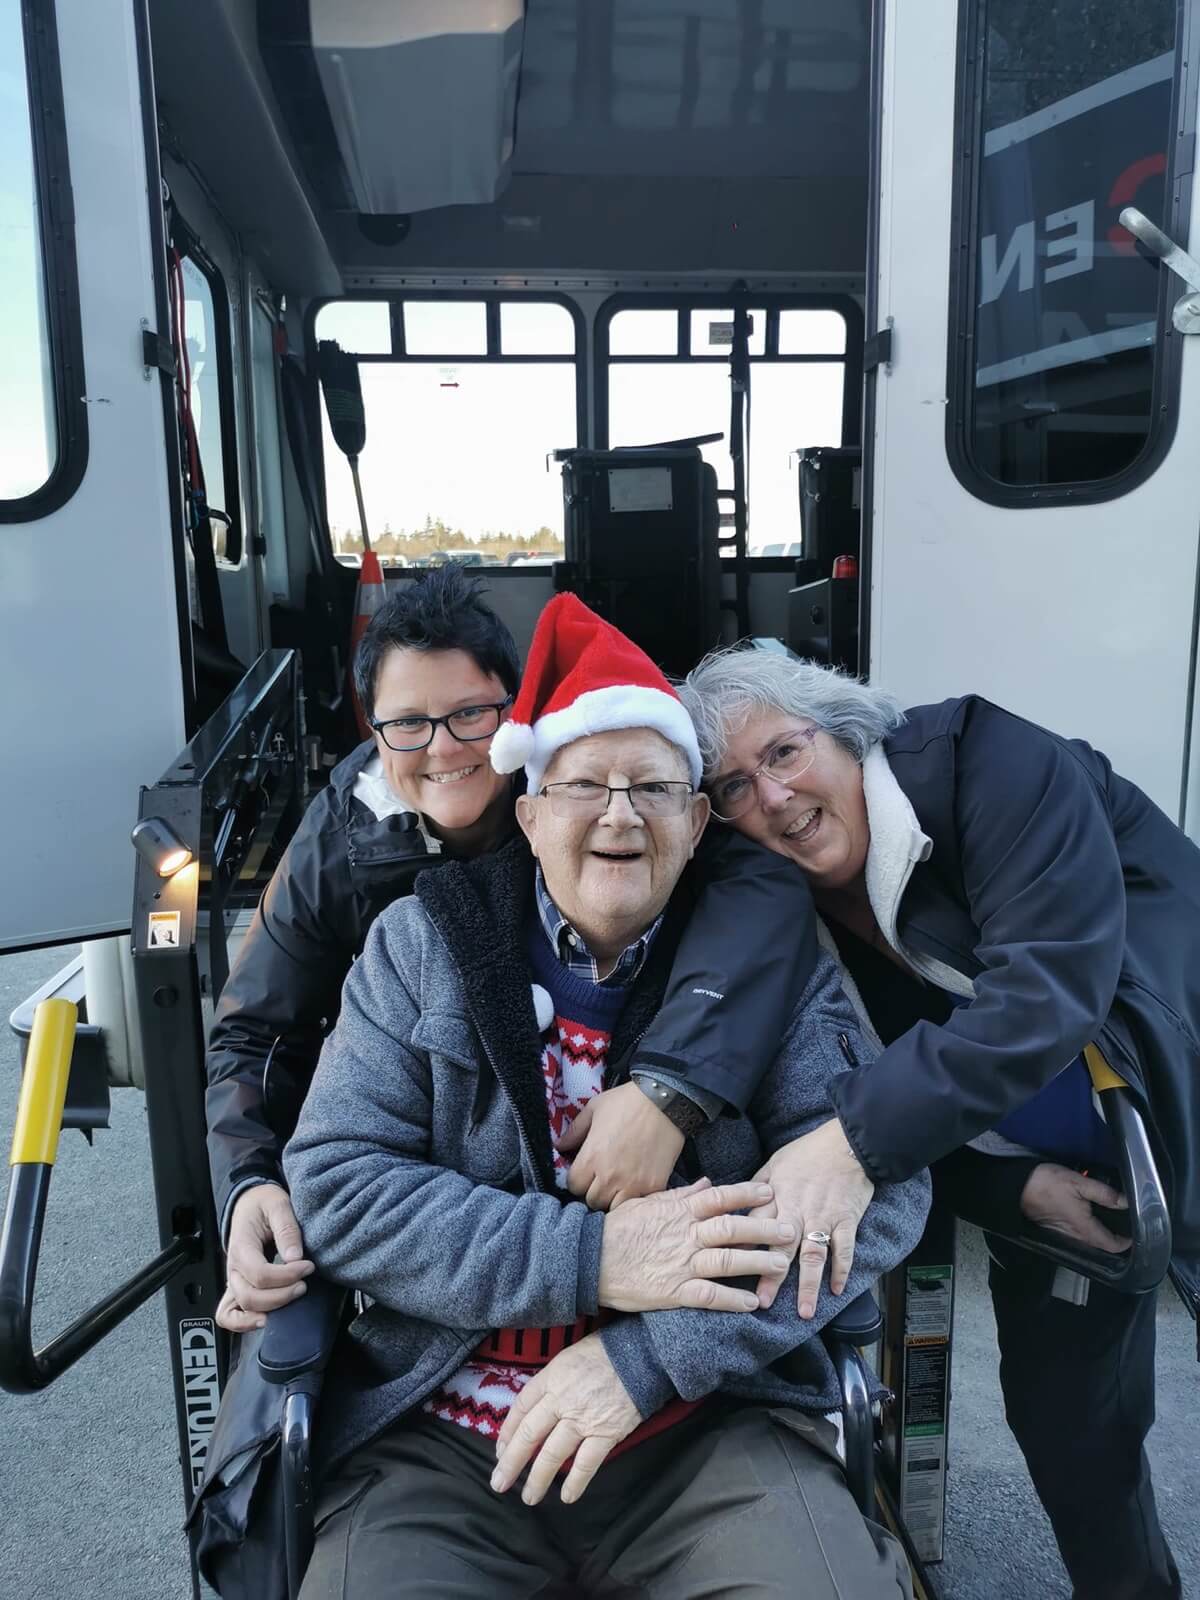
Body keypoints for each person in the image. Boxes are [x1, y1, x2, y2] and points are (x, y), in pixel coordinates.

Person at [283, 595, 929, 1598]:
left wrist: (652, 1356)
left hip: (709, 1425)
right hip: (443, 1443)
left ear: (699, 817)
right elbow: (339, 1184)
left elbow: (883, 1196)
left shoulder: (774, 966)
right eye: (586, 784)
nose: (621, 814)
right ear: (531, 813)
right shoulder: (419, 947)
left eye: (653, 787)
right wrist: (594, 1259)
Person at [677, 647, 1200, 1600]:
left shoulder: (995, 762)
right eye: (735, 788)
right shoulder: (779, 902)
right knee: (1067, 1418)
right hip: (1060, 1154)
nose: (775, 798)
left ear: (845, 731)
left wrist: (847, 1139)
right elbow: (835, 1079)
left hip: (1174, 1089)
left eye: (786, 753)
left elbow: (1046, 995)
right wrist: (1010, 1188)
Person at [206, 567, 817, 1334]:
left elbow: (756, 892)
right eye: (408, 724)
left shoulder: (608, 765)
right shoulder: (344, 848)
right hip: (432, 1158)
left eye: (469, 715)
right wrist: (250, 1178)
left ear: (513, 714)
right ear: (375, 731)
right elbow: (256, 1029)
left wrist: (674, 1088)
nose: (441, 747)